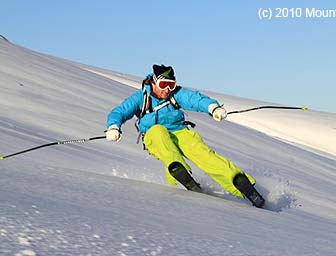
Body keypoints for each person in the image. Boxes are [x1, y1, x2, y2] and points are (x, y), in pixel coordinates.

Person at [105, 64, 265, 207]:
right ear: (153, 82)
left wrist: (212, 108)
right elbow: (119, 112)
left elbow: (195, 99)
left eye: (171, 85)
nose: (167, 89)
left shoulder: (176, 94)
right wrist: (113, 127)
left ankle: (238, 182)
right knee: (158, 132)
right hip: (154, 136)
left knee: (201, 152)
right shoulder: (141, 97)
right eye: (163, 85)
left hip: (179, 132)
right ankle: (177, 168)